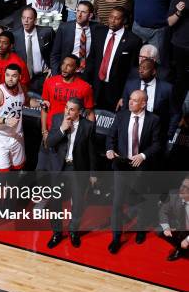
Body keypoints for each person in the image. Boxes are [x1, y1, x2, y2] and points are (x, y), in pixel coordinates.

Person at [106, 90, 162, 254]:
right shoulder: (121, 116)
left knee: (141, 202)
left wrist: (143, 155)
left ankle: (140, 231)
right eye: (130, 99)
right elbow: (111, 137)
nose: (130, 102)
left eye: (135, 101)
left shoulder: (154, 120)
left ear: (143, 103)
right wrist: (110, 150)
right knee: (117, 203)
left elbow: (158, 144)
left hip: (141, 168)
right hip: (122, 166)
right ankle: (116, 238)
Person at [46, 98, 97, 249]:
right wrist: (62, 129)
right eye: (66, 107)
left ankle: (73, 231)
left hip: (77, 168)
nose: (67, 111)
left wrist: (93, 173)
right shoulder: (57, 119)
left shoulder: (88, 126)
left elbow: (91, 152)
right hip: (58, 168)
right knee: (54, 202)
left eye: (72, 109)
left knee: (78, 202)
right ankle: (56, 233)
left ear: (80, 112)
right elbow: (49, 142)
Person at [87, 6, 141, 112]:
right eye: (111, 17)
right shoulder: (99, 33)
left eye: (116, 18)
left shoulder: (133, 40)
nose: (112, 20)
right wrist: (86, 83)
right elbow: (91, 60)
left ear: (124, 20)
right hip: (96, 87)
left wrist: (125, 95)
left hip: (116, 90)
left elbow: (132, 70)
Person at [121, 58, 180, 140]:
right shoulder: (130, 85)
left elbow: (176, 113)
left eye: (144, 68)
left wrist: (169, 134)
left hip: (157, 135)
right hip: (132, 132)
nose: (140, 71)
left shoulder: (167, 89)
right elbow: (124, 110)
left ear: (153, 72)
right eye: (140, 68)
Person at [41, 55, 95, 135]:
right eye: (63, 64)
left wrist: (89, 135)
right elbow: (44, 108)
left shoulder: (85, 87)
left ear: (76, 69)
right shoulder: (50, 82)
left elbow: (89, 113)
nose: (64, 68)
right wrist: (44, 131)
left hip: (72, 132)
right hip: (51, 129)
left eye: (69, 66)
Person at [0, 64, 25, 171]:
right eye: (7, 75)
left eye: (14, 76)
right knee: (2, 173)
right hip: (0, 137)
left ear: (20, 77)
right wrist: (5, 120)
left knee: (18, 168)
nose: (10, 79)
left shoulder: (22, 89)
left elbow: (27, 101)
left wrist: (40, 103)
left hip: (17, 135)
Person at [12, 6, 54, 94]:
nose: (26, 21)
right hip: (23, 78)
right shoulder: (15, 35)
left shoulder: (47, 32)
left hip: (43, 77)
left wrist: (52, 69)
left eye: (29, 18)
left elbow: (55, 52)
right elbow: (12, 57)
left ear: (35, 20)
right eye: (24, 18)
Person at [50, 0, 98, 75]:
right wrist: (55, 74)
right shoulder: (64, 28)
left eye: (83, 12)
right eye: (78, 11)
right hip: (67, 72)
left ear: (90, 15)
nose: (79, 15)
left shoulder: (97, 29)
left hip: (86, 73)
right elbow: (55, 54)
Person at [167, 0, 189, 103]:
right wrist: (178, 12)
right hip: (179, 45)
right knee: (179, 78)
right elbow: (170, 22)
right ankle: (176, 109)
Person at [159, 176, 189, 261]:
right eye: (182, 185)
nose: (182, 189)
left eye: (186, 188)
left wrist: (187, 240)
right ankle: (180, 248)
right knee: (160, 230)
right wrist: (166, 228)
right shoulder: (174, 195)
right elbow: (163, 211)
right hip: (182, 226)